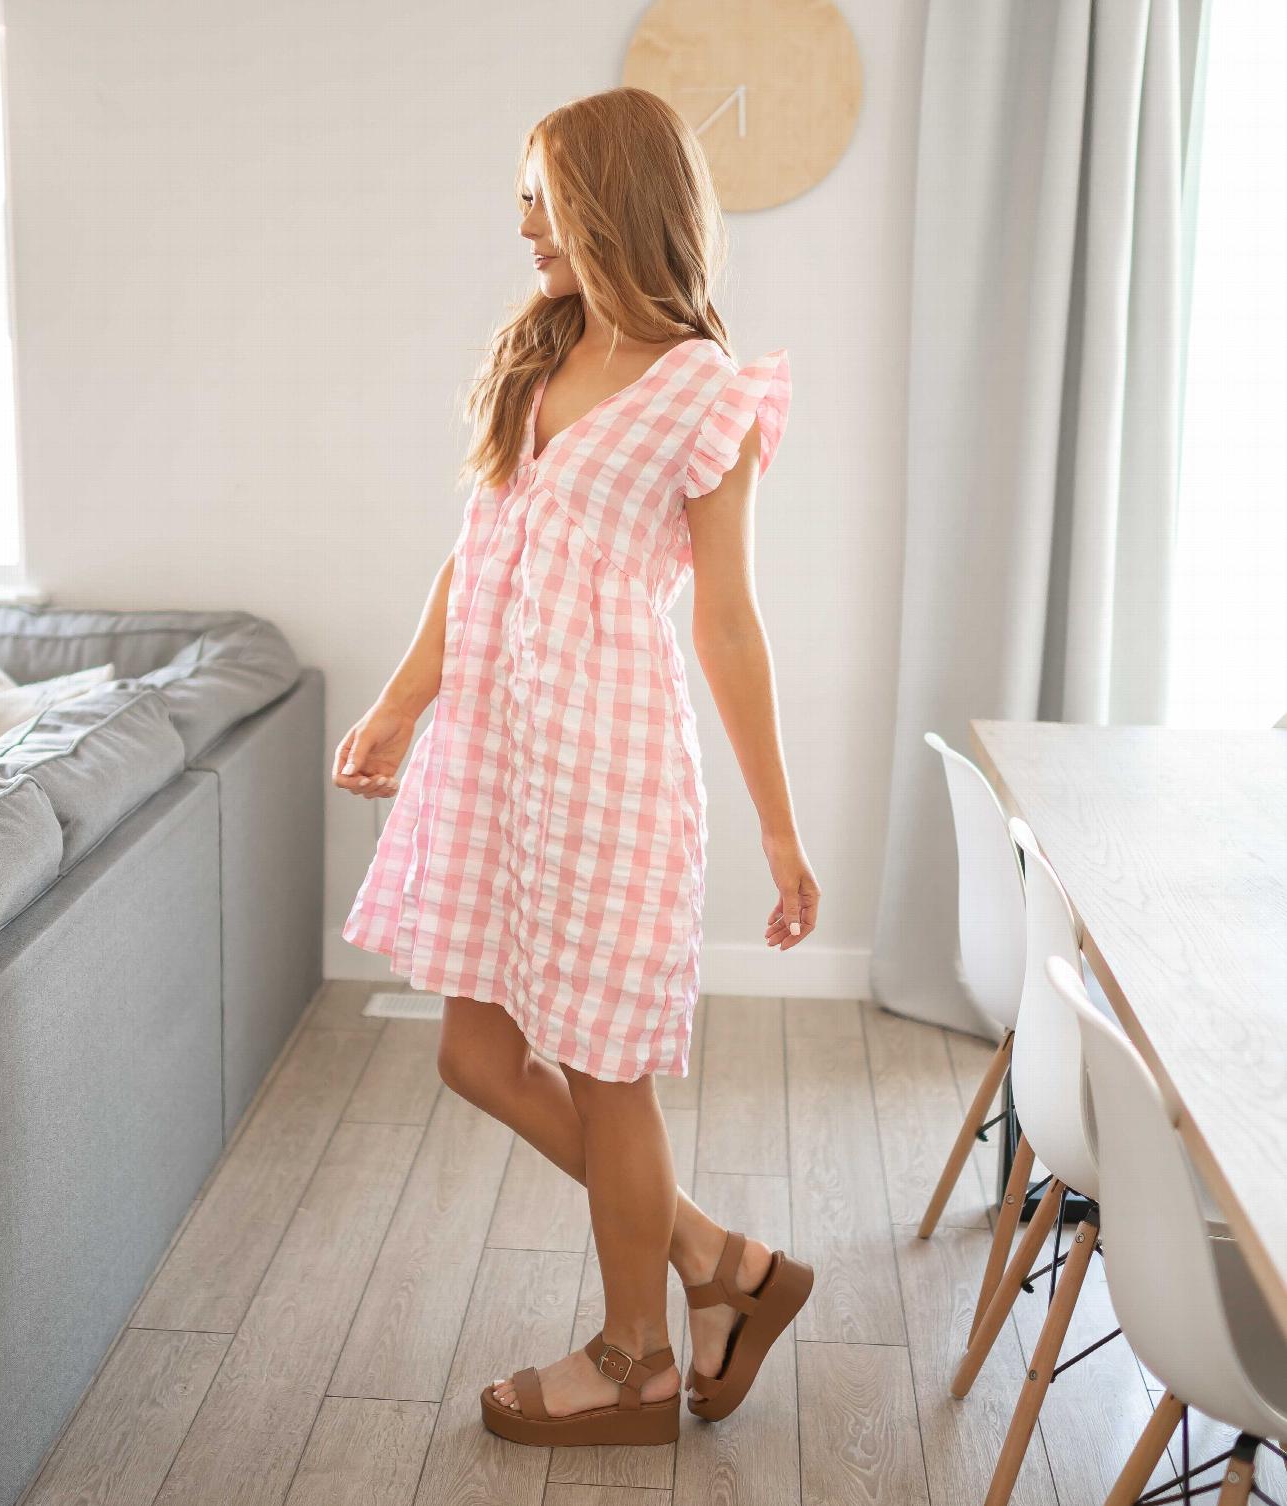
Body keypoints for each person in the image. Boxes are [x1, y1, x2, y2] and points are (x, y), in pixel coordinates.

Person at [335, 85, 821, 1448]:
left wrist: (783, 832)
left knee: (611, 1076)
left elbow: (728, 620)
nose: (526, 220)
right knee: (477, 1053)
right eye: (523, 194)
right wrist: (397, 704)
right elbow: (477, 553)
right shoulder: (539, 352)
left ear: (614, 199)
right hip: (499, 762)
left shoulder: (701, 392)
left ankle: (635, 1358)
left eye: (544, 192)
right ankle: (719, 1262)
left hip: (612, 773)